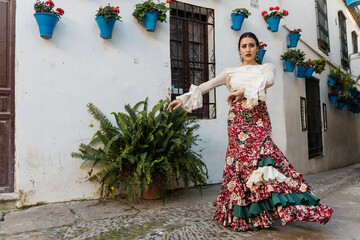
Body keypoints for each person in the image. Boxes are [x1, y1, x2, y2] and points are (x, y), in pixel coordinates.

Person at [167, 32, 333, 231]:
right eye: (244, 46)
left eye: (251, 45)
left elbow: (269, 81)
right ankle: (249, 214)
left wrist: (243, 92)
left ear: (257, 48)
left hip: (259, 119)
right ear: (239, 49)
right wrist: (183, 98)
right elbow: (205, 86)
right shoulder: (230, 72)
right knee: (241, 165)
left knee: (265, 159)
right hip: (237, 121)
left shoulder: (266, 68)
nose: (248, 49)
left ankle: (294, 204)